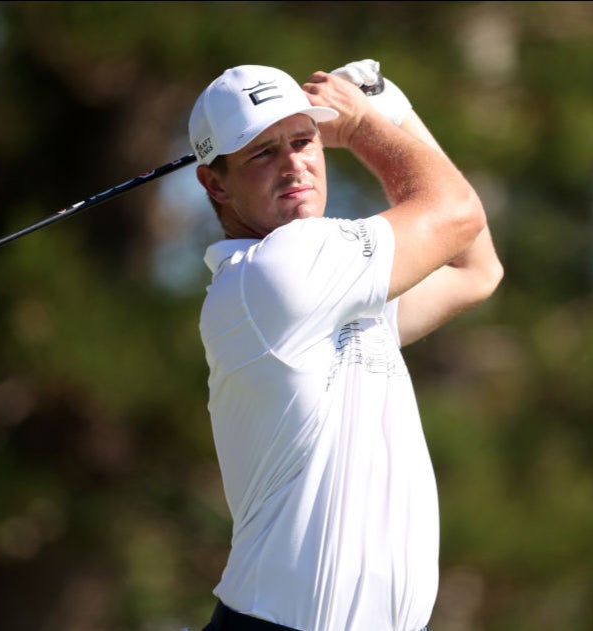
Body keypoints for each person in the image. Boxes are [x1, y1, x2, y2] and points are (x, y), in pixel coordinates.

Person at [188, 59, 503, 631]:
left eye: (305, 141)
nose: (294, 165)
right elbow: (456, 213)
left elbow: (476, 267)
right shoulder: (279, 273)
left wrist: (393, 110)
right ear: (215, 183)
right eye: (262, 152)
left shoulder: (333, 286)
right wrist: (364, 127)